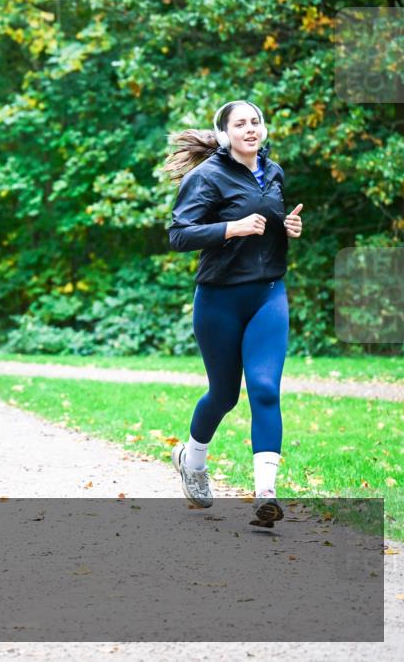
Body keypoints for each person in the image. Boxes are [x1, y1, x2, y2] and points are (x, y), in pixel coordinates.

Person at [164, 100, 303, 528]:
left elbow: (272, 225)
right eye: (240, 123)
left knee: (264, 388)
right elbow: (178, 235)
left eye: (255, 121)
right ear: (225, 134)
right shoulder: (206, 177)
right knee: (224, 394)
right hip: (219, 300)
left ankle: (266, 494)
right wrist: (232, 228)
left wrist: (290, 229)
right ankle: (192, 459)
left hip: (268, 295)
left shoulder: (274, 172)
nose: (250, 129)